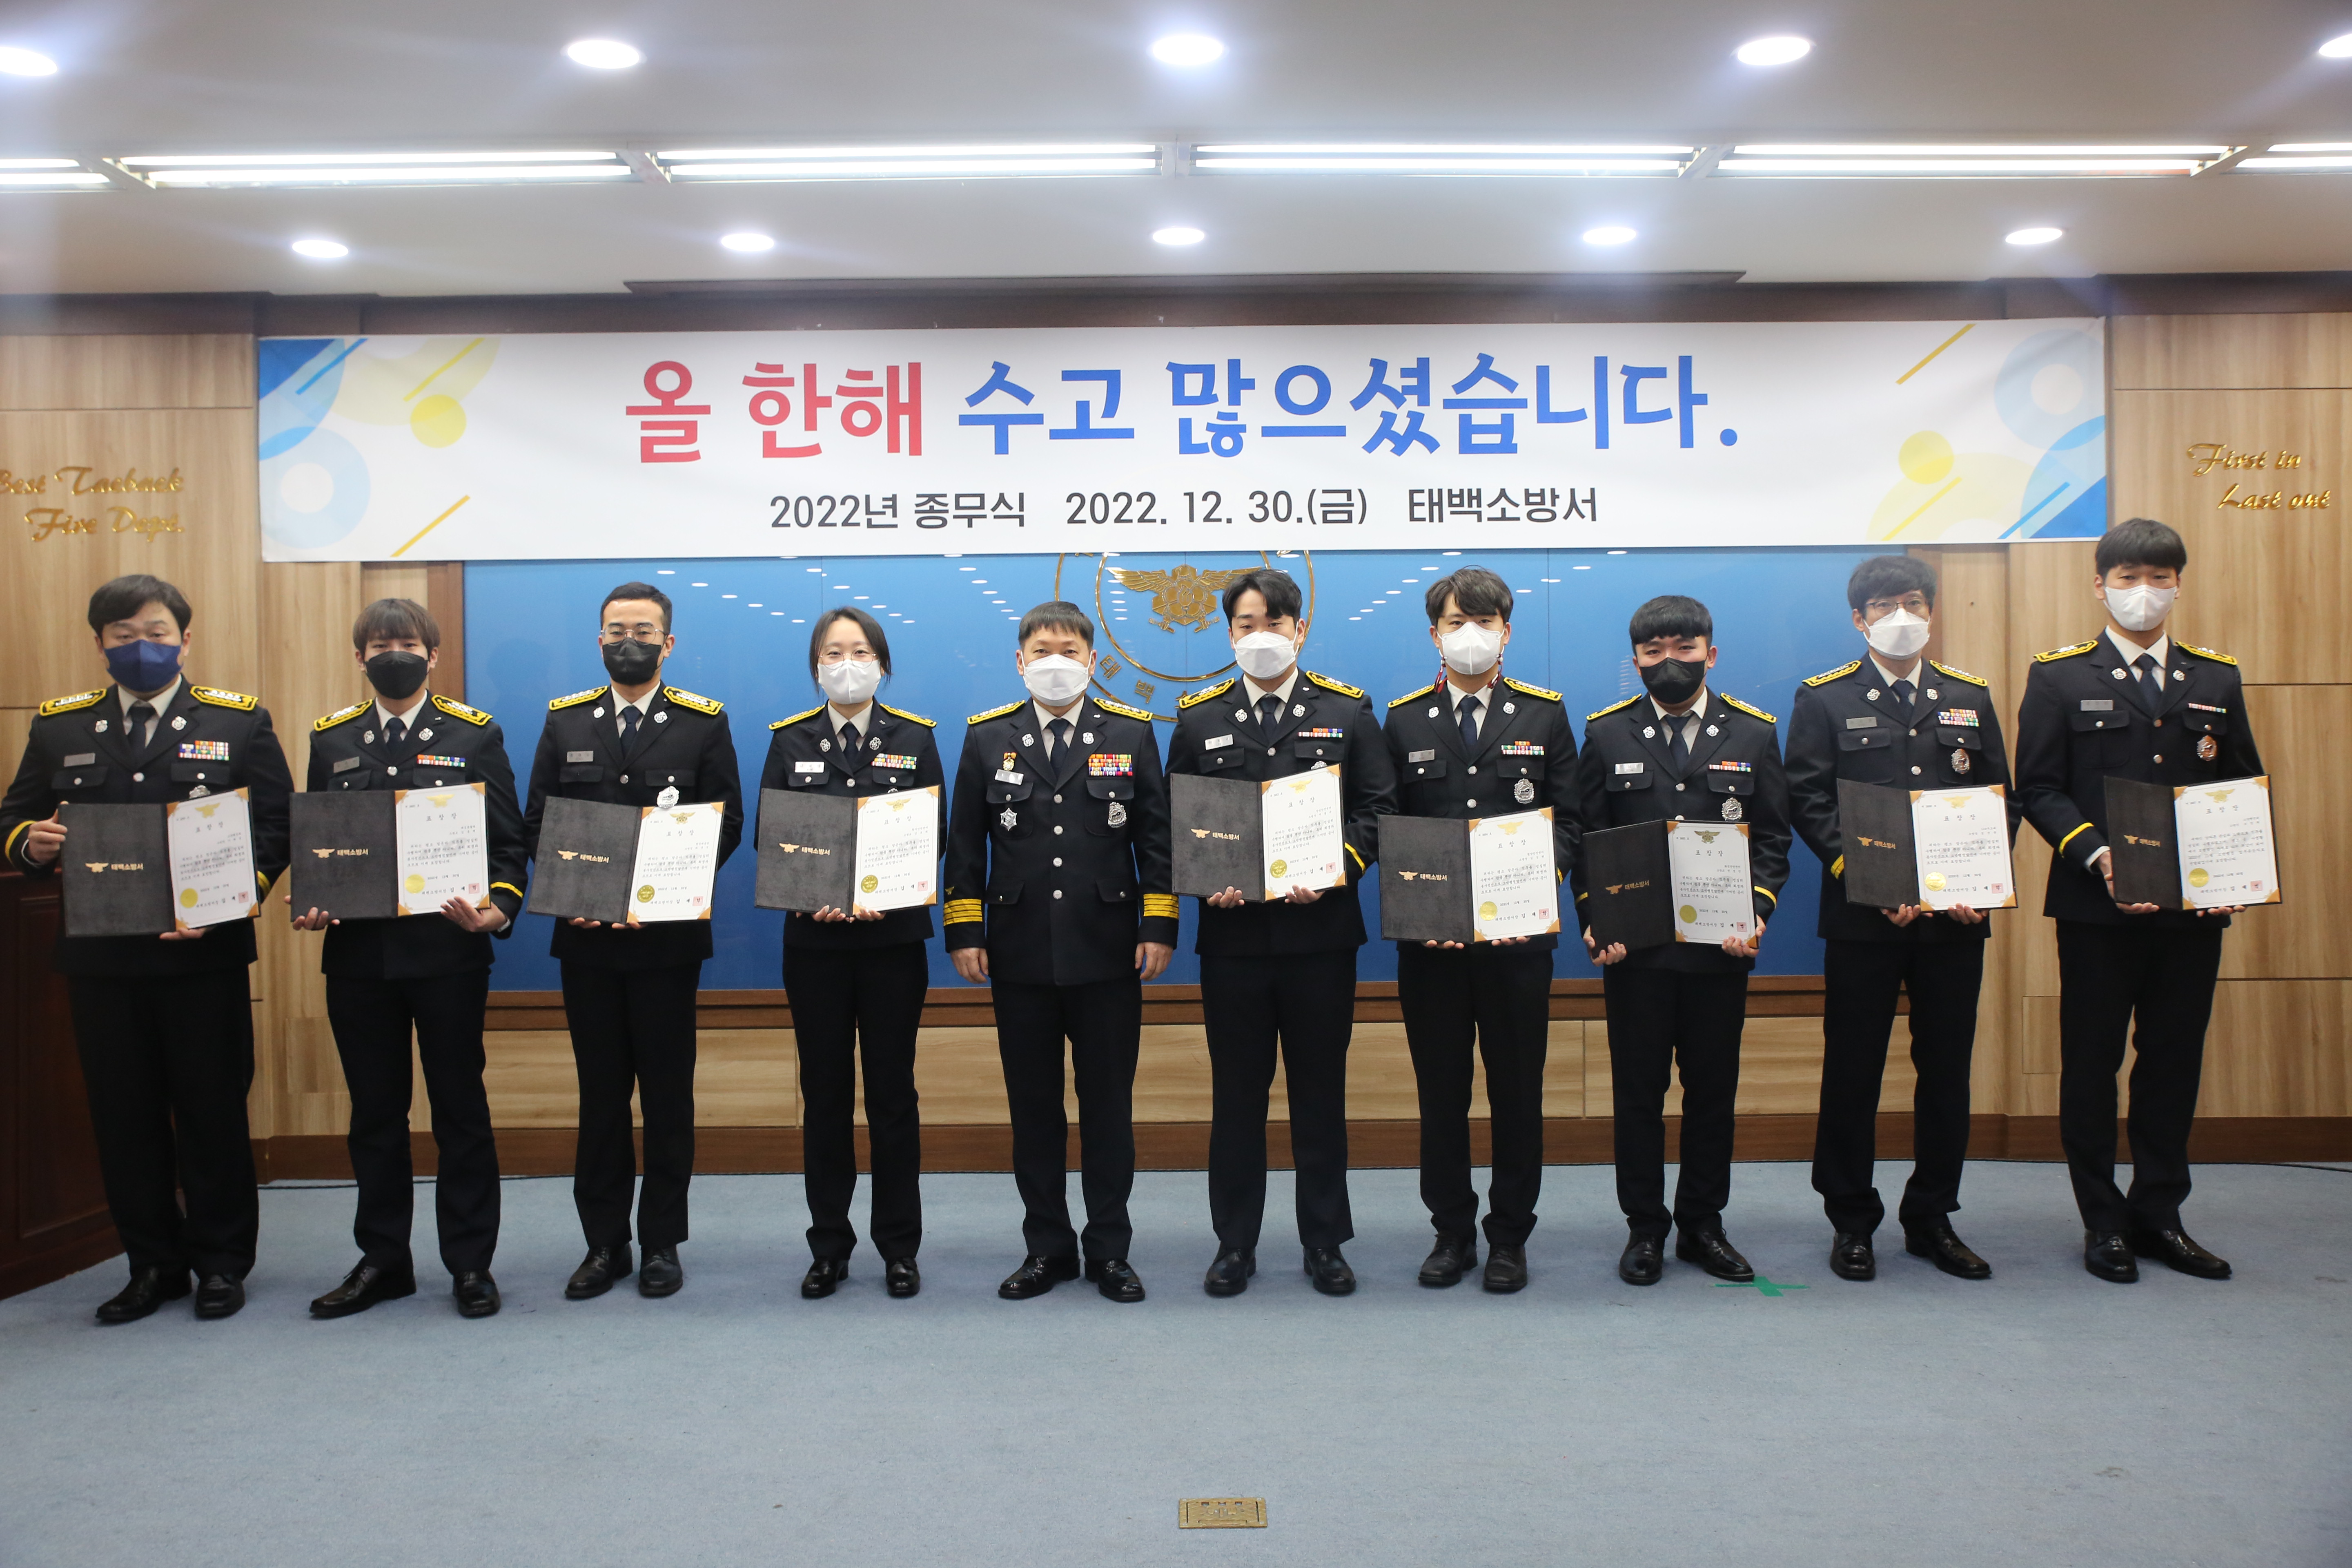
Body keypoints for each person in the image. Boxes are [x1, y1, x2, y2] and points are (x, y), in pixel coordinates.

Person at [0, 574, 292, 1323]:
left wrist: (232, 899)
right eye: (124, 636)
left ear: (185, 640)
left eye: (157, 633)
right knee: (123, 1117)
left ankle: (221, 1263)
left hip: (203, 957)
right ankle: (151, 1266)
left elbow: (277, 827)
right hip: (103, 961)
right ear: (99, 643)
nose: (142, 647)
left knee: (212, 1111)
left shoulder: (238, 721)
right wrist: (30, 843)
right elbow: (15, 817)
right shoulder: (60, 725)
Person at [2014, 517, 2259, 1284]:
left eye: (2159, 578)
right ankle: (2103, 1221)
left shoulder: (2216, 679)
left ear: (2179, 585)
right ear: (2100, 585)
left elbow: (2237, 787)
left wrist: (2234, 875)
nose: (2144, 592)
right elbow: (2038, 788)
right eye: (2128, 578)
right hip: (2097, 909)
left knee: (2173, 1062)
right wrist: (2098, 854)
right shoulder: (2058, 677)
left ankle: (2160, 1214)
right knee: (2092, 1065)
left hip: (2192, 912)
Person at [1165, 567, 1399, 1297]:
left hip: (1320, 938)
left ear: (1300, 629)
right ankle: (1234, 1244)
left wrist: (1337, 868)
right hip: (1233, 941)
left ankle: (1325, 1242)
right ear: (1229, 633)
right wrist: (1205, 878)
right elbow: (1176, 823)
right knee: (1237, 1099)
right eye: (1246, 624)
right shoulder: (1198, 719)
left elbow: (1378, 810)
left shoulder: (1348, 711)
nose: (1260, 635)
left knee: (1319, 1096)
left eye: (1273, 623)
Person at [289, 599, 525, 1320]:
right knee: (375, 1115)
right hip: (358, 959)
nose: (395, 654)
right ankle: (384, 1259)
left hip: (449, 953)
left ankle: (471, 1263)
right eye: (381, 644)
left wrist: (500, 908)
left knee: (460, 1111)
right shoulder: (331, 738)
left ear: (433, 655)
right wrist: (316, 895)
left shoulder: (474, 734)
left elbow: (508, 846)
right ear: (360, 656)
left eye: (409, 643)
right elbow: (321, 844)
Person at [1785, 557, 2015, 1283]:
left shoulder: (1969, 696)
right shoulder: (1824, 698)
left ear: (1932, 609)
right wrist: (1866, 879)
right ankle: (1851, 1220)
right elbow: (1807, 800)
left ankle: (1932, 1216)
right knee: (1853, 1071)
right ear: (1859, 620)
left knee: (1946, 1072)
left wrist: (1980, 882)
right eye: (1884, 606)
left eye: (1913, 602)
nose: (1901, 616)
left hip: (1954, 920)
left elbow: (1998, 800)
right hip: (1864, 921)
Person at [943, 601, 1176, 1303]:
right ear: (1020, 662)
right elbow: (964, 846)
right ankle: (1046, 1248)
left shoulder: (1131, 733)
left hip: (1108, 953)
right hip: (1017, 956)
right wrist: (965, 932)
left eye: (1070, 651)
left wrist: (1159, 926)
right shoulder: (987, 738)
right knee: (1035, 1111)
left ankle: (1109, 1250)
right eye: (1042, 650)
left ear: (1092, 661)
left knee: (1108, 1109)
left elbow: (1156, 841)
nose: (1056, 662)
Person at [522, 581, 742, 1300]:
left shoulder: (702, 722)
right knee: (602, 1097)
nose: (630, 642)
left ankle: (662, 1243)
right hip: (586, 942)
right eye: (617, 631)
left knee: (669, 1098)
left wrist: (661, 896)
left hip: (666, 944)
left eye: (644, 631)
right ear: (599, 640)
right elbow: (538, 822)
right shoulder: (565, 721)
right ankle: (604, 1243)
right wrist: (580, 896)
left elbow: (725, 823)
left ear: (668, 643)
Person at [1571, 594, 1790, 1287]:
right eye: (1654, 651)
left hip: (1719, 952)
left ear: (1710, 654)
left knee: (1711, 1094)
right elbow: (1585, 839)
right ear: (1636, 661)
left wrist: (1757, 913)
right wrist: (1595, 919)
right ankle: (1645, 1228)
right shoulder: (1607, 733)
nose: (1670, 661)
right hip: (1635, 954)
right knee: (1638, 1096)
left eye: (1684, 648)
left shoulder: (1753, 733)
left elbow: (1773, 839)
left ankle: (1703, 1225)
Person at [1380, 566, 1579, 1293]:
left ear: (1507, 631)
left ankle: (1509, 1238)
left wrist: (1531, 894)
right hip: (1431, 950)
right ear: (1435, 635)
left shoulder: (1544, 716)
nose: (1471, 634)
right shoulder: (1404, 720)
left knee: (1517, 1093)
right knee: (1442, 1095)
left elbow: (1571, 822)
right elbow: (1388, 824)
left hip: (1518, 948)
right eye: (1456, 622)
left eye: (1484, 621)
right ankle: (1451, 1233)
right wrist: (1420, 909)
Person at [760, 607, 944, 1300]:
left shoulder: (915, 738)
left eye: (861, 651)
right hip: (815, 945)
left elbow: (934, 834)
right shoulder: (789, 740)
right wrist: (813, 893)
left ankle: (900, 1247)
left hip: (893, 944)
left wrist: (885, 893)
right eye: (833, 652)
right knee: (826, 1095)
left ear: (882, 664)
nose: (847, 664)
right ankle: (829, 1246)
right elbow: (773, 839)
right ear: (816, 665)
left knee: (894, 1096)